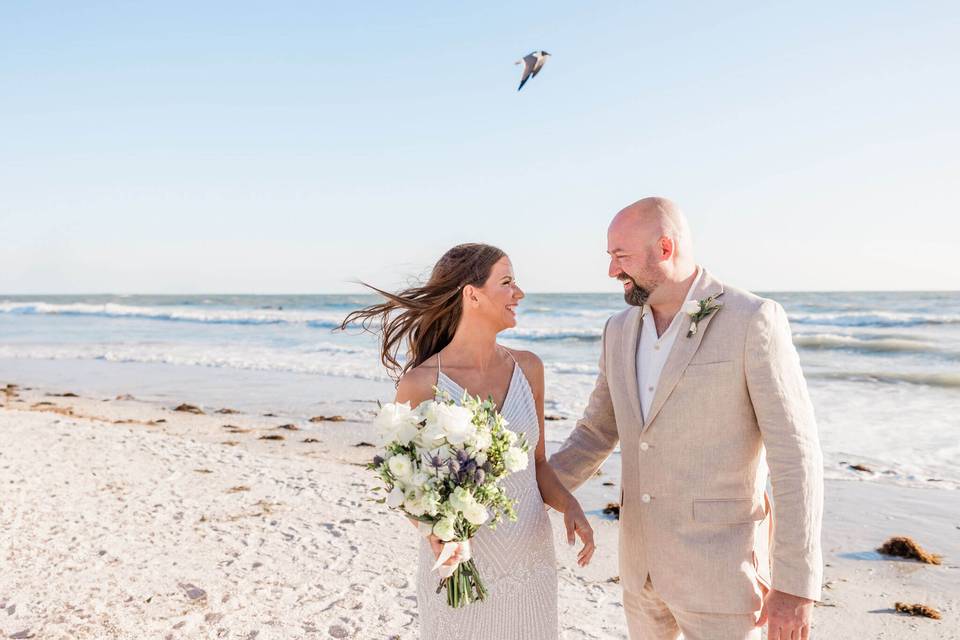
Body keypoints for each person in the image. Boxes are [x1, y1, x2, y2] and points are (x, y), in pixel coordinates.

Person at [550, 197, 824, 640]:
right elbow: (595, 433)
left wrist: (795, 585)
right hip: (640, 574)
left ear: (664, 247)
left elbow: (796, 454)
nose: (612, 271)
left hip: (723, 577)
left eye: (621, 257)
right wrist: (525, 493)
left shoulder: (753, 320)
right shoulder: (617, 330)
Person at [341, 243, 595, 640]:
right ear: (471, 294)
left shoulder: (529, 367)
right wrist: (437, 533)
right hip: (462, 560)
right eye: (507, 282)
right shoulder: (421, 382)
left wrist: (571, 504)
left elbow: (537, 465)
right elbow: (407, 485)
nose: (519, 293)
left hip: (531, 555)